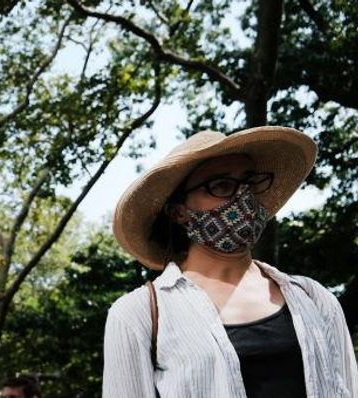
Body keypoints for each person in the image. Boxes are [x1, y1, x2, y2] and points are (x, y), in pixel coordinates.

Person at [102, 126, 358, 397]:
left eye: (250, 182)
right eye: (222, 186)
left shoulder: (314, 298)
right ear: (179, 212)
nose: (243, 198)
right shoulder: (139, 315)